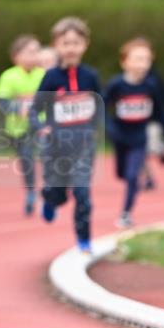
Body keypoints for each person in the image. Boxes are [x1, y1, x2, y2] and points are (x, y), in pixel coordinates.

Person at [30, 17, 102, 253]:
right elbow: (35, 109)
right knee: (58, 192)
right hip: (55, 146)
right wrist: (41, 127)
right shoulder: (51, 77)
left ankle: (84, 240)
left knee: (82, 193)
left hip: (83, 146)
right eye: (65, 43)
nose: (71, 48)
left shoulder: (90, 76)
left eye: (75, 43)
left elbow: (99, 105)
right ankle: (50, 198)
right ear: (56, 45)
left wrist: (96, 128)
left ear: (85, 44)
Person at [103, 38, 164, 228]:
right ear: (124, 62)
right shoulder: (117, 84)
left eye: (146, 59)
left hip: (139, 137)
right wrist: (109, 127)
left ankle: (126, 213)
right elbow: (102, 106)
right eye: (138, 59)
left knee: (133, 175)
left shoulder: (150, 85)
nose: (143, 64)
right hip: (120, 136)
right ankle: (130, 183)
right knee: (122, 173)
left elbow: (159, 111)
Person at [0, 35, 44, 215]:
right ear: (16, 56)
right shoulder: (9, 76)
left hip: (42, 126)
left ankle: (49, 190)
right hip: (18, 129)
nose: (34, 56)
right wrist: (18, 108)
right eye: (29, 52)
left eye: (36, 51)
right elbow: (2, 101)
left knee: (49, 156)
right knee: (27, 159)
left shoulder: (43, 74)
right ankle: (31, 192)